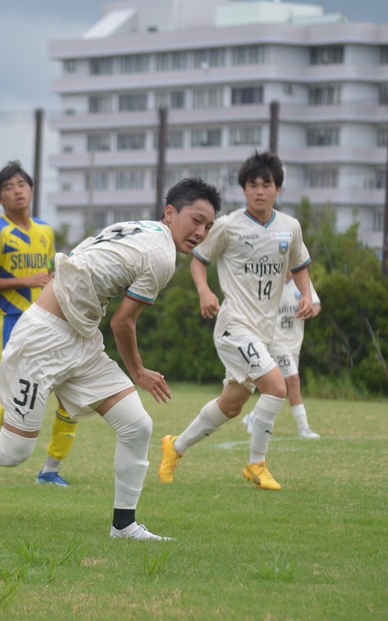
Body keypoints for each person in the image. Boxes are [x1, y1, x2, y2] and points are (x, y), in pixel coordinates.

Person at [0, 177, 221, 540]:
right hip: (45, 339)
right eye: (196, 220)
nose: (201, 231)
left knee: (137, 426)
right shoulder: (161, 255)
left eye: (208, 226)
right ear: (170, 213)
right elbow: (123, 323)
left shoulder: (140, 228)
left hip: (80, 338)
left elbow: (85, 254)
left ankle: (124, 526)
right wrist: (139, 372)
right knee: (14, 450)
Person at [159, 150, 312, 492]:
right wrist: (204, 291)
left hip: (263, 330)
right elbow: (199, 260)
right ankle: (257, 464)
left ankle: (175, 446)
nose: (259, 191)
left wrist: (306, 296)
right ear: (244, 189)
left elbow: (300, 266)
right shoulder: (227, 226)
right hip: (233, 325)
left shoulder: (290, 227)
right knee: (277, 386)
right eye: (252, 185)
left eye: (266, 185)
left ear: (278, 190)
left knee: (231, 405)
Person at [0, 160, 77, 487]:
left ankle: (50, 470)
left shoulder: (45, 230)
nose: (17, 191)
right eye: (8, 187)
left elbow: (50, 275)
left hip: (49, 324)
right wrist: (25, 280)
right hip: (11, 324)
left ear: (31, 189)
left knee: (71, 400)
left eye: (21, 184)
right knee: (24, 407)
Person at [242, 272, 321, 439]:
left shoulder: (303, 282)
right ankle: (304, 428)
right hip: (276, 340)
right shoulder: (270, 282)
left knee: (281, 387)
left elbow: (316, 305)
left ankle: (253, 417)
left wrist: (310, 310)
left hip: (295, 342)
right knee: (293, 380)